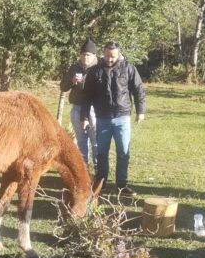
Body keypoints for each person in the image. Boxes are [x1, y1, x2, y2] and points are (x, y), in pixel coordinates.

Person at [81, 41, 145, 196]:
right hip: (102, 119)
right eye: (107, 56)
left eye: (113, 56)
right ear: (103, 54)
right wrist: (85, 117)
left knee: (123, 152)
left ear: (119, 54)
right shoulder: (94, 71)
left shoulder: (129, 68)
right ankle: (101, 184)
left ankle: (121, 185)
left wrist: (140, 111)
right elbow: (86, 96)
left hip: (122, 118)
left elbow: (138, 90)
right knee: (102, 153)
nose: (110, 59)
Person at [60, 39, 98, 171]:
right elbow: (63, 87)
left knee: (96, 140)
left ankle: (98, 170)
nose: (85, 57)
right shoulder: (74, 68)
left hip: (94, 109)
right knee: (81, 140)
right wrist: (72, 81)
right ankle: (84, 169)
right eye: (83, 55)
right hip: (77, 107)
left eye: (88, 55)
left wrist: (86, 83)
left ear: (94, 55)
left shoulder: (99, 67)